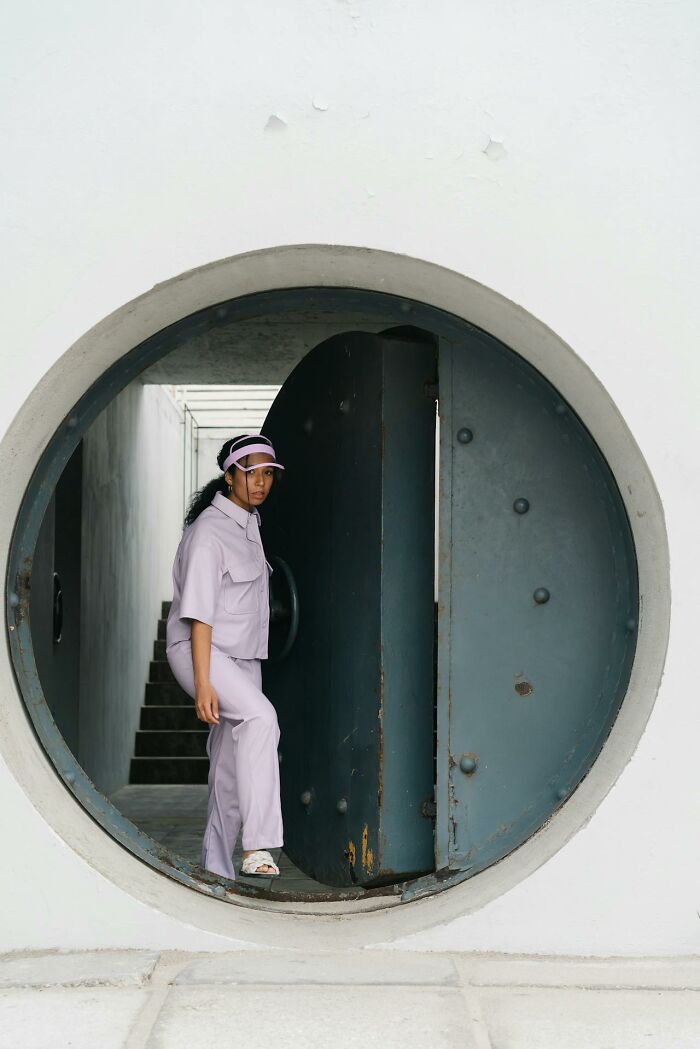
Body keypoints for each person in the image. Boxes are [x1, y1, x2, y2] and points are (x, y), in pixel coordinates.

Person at [165, 434, 285, 880]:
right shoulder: (208, 533)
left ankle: (216, 870)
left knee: (231, 770)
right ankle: (258, 846)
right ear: (230, 474)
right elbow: (199, 618)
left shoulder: (249, 526)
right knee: (261, 719)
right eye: (251, 472)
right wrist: (202, 683)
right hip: (202, 650)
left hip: (242, 657)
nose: (261, 483)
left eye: (268, 474)